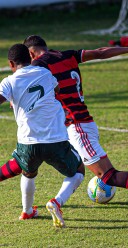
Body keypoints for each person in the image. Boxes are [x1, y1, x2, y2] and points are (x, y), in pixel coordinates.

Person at [20, 35, 128, 223]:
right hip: (75, 125)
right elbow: (100, 53)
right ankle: (56, 202)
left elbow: (26, 85)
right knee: (75, 167)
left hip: (78, 126)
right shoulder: (68, 55)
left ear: (31, 53)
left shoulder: (39, 66)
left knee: (107, 176)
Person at [0, 43, 85, 227]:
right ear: (31, 59)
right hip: (55, 138)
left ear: (11, 63)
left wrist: (14, 101)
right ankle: (57, 201)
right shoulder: (46, 73)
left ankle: (27, 211)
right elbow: (56, 91)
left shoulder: (9, 81)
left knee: (28, 172)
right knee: (78, 171)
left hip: (28, 141)